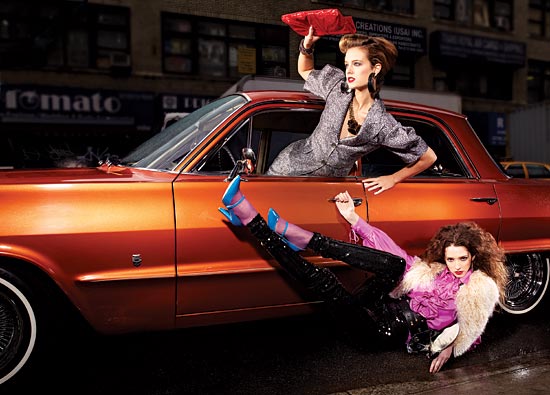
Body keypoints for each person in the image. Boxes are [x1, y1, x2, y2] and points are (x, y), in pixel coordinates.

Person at [219, 176, 509, 373]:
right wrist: (353, 219)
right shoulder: (433, 273)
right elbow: (392, 252)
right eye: (450, 259)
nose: (456, 265)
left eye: (462, 258)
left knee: (327, 282)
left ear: (474, 257)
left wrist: (448, 349)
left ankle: (252, 221)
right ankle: (306, 239)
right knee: (396, 265)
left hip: (379, 333)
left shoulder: (476, 289)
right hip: (376, 306)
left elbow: (473, 328)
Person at [266, 27, 437, 195]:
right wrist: (307, 46)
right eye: (347, 64)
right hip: (287, 168)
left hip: (323, 190)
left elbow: (428, 157)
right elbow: (305, 70)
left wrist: (392, 179)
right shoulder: (337, 87)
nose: (349, 70)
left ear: (375, 68)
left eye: (357, 64)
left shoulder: (382, 124)